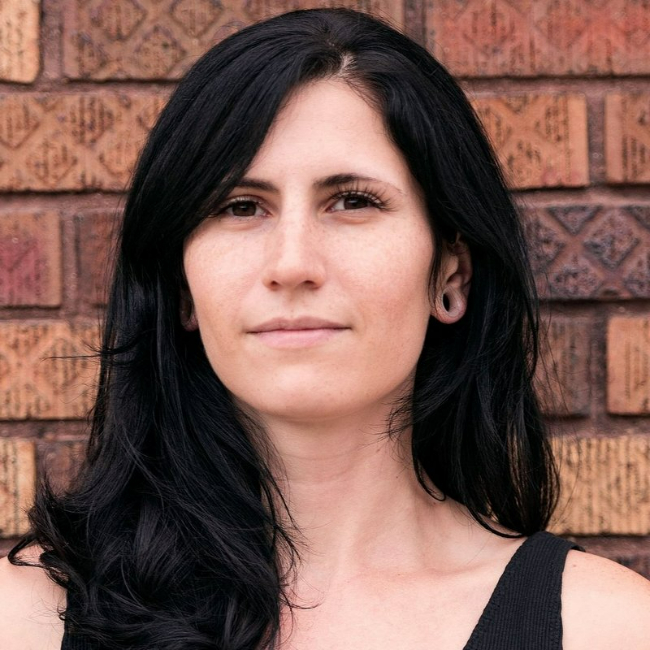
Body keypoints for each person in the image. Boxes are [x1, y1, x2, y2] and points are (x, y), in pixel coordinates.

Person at [1, 7, 649, 650]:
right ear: (182, 289)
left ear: (450, 274)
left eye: (353, 202)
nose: (292, 264)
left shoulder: (608, 629)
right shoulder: (28, 619)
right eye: (240, 207)